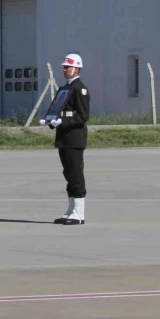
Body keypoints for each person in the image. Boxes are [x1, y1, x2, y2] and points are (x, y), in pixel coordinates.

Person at [43, 53, 90, 225]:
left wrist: (62, 121)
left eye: (67, 67)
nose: (64, 69)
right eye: (63, 67)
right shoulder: (66, 88)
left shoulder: (79, 89)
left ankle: (79, 214)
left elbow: (83, 116)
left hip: (74, 139)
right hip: (64, 138)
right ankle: (71, 211)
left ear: (76, 68)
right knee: (68, 174)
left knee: (76, 175)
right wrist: (52, 121)